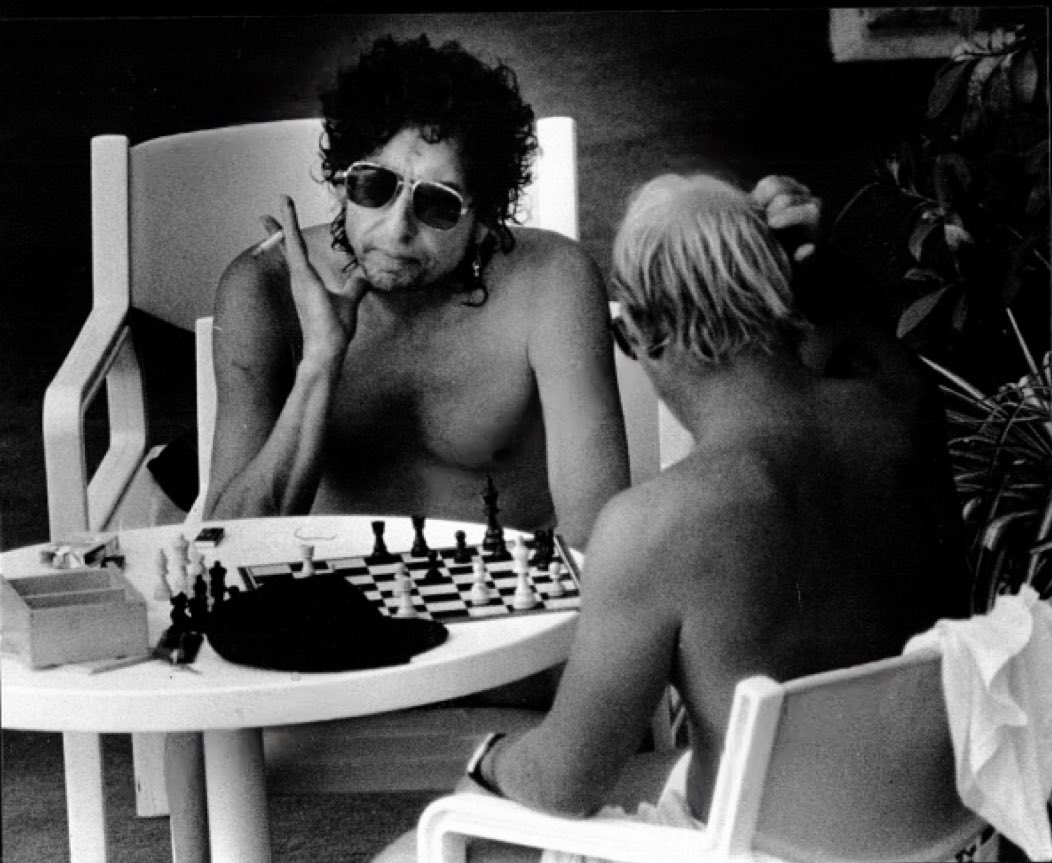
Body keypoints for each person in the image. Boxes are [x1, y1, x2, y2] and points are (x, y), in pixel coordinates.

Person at [373, 172, 970, 862]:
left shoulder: (656, 525)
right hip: (933, 839)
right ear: (784, 295)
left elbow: (566, 783)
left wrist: (492, 758)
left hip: (743, 854)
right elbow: (869, 340)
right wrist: (814, 260)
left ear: (644, 333)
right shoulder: (905, 414)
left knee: (423, 845)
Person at [202, 34, 821, 553]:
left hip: (515, 614)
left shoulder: (552, 279)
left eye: (438, 204)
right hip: (329, 614)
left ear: (486, 217)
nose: (397, 229)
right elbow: (224, 545)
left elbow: (592, 536)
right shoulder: (262, 286)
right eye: (375, 186)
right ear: (340, 183)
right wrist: (319, 361)